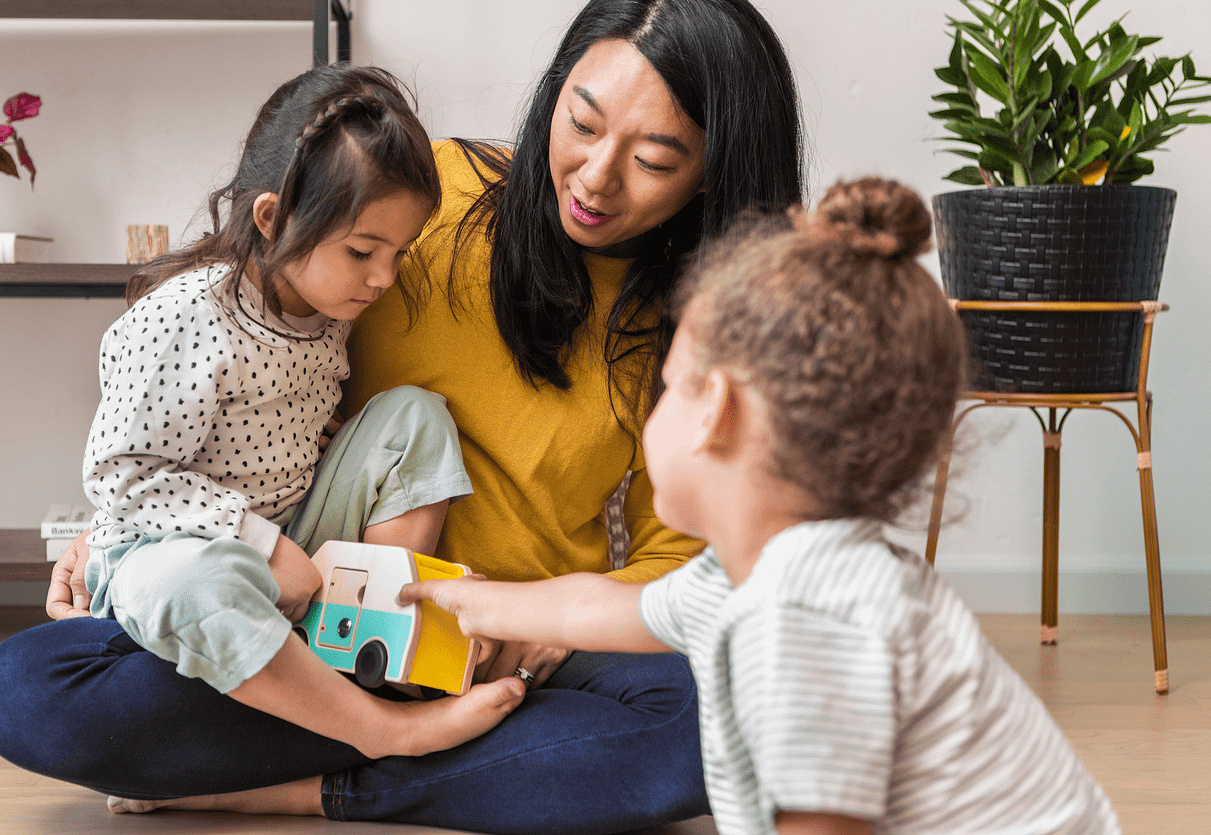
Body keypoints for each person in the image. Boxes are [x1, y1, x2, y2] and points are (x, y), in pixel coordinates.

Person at [0, 0, 804, 831]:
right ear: (554, 93)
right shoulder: (418, 200)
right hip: (304, 610)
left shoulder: (707, 323)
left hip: (521, 639)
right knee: (23, 690)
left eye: (655, 159)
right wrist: (131, 526)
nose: (594, 175)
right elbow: (237, 369)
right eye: (582, 123)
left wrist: (549, 619)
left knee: (724, 713)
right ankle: (416, 741)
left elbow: (687, 562)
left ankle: (316, 778)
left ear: (713, 175)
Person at [388, 179, 1119, 835]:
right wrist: (468, 601)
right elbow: (590, 610)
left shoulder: (804, 616)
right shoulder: (751, 575)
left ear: (716, 411)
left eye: (668, 385)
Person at [60, 61, 528, 762]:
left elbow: (295, 412)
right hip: (175, 550)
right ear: (273, 218)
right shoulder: (186, 315)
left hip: (298, 538)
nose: (384, 278)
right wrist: (261, 545)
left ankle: (372, 638)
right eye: (363, 251)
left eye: (398, 253)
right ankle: (379, 729)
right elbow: (122, 476)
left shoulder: (325, 304)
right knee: (194, 584)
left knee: (416, 417)